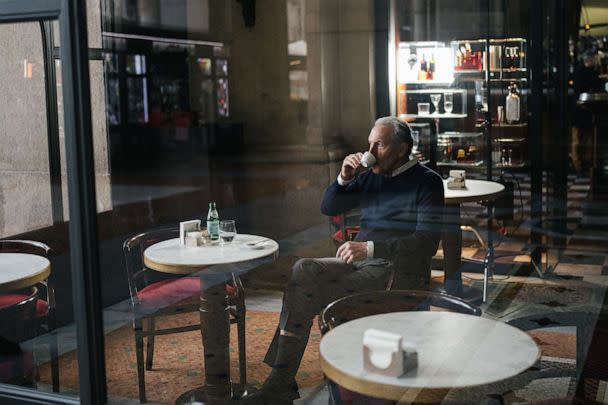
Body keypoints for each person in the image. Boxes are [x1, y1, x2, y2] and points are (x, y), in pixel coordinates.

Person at [243, 117, 445, 404]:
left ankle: (281, 383)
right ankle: (284, 382)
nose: (371, 151)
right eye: (369, 144)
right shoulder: (372, 174)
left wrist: (370, 249)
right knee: (303, 269)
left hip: (398, 272)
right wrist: (344, 177)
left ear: (402, 150)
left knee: (306, 294)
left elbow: (427, 243)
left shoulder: (428, 182)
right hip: (362, 266)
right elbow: (329, 206)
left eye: (380, 145)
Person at [571, 50, 606, 174]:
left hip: (585, 110)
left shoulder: (585, 72)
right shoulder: (584, 72)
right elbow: (593, 85)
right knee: (578, 140)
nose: (596, 61)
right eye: (595, 59)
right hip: (582, 109)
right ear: (590, 60)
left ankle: (583, 166)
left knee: (583, 140)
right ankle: (580, 166)